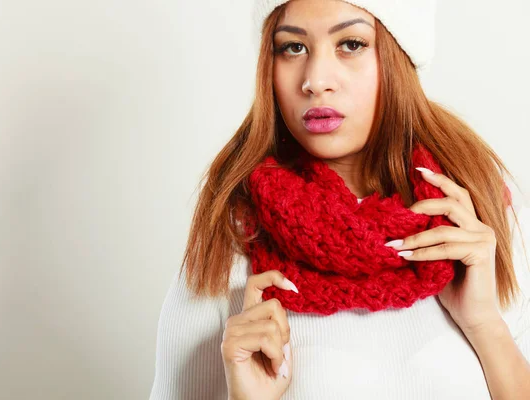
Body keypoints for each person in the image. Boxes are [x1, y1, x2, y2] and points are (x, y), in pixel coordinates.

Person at [149, 0, 530, 398]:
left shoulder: (480, 222)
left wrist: (484, 323)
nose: (315, 80)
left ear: (399, 54)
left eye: (351, 43)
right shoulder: (232, 240)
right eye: (292, 48)